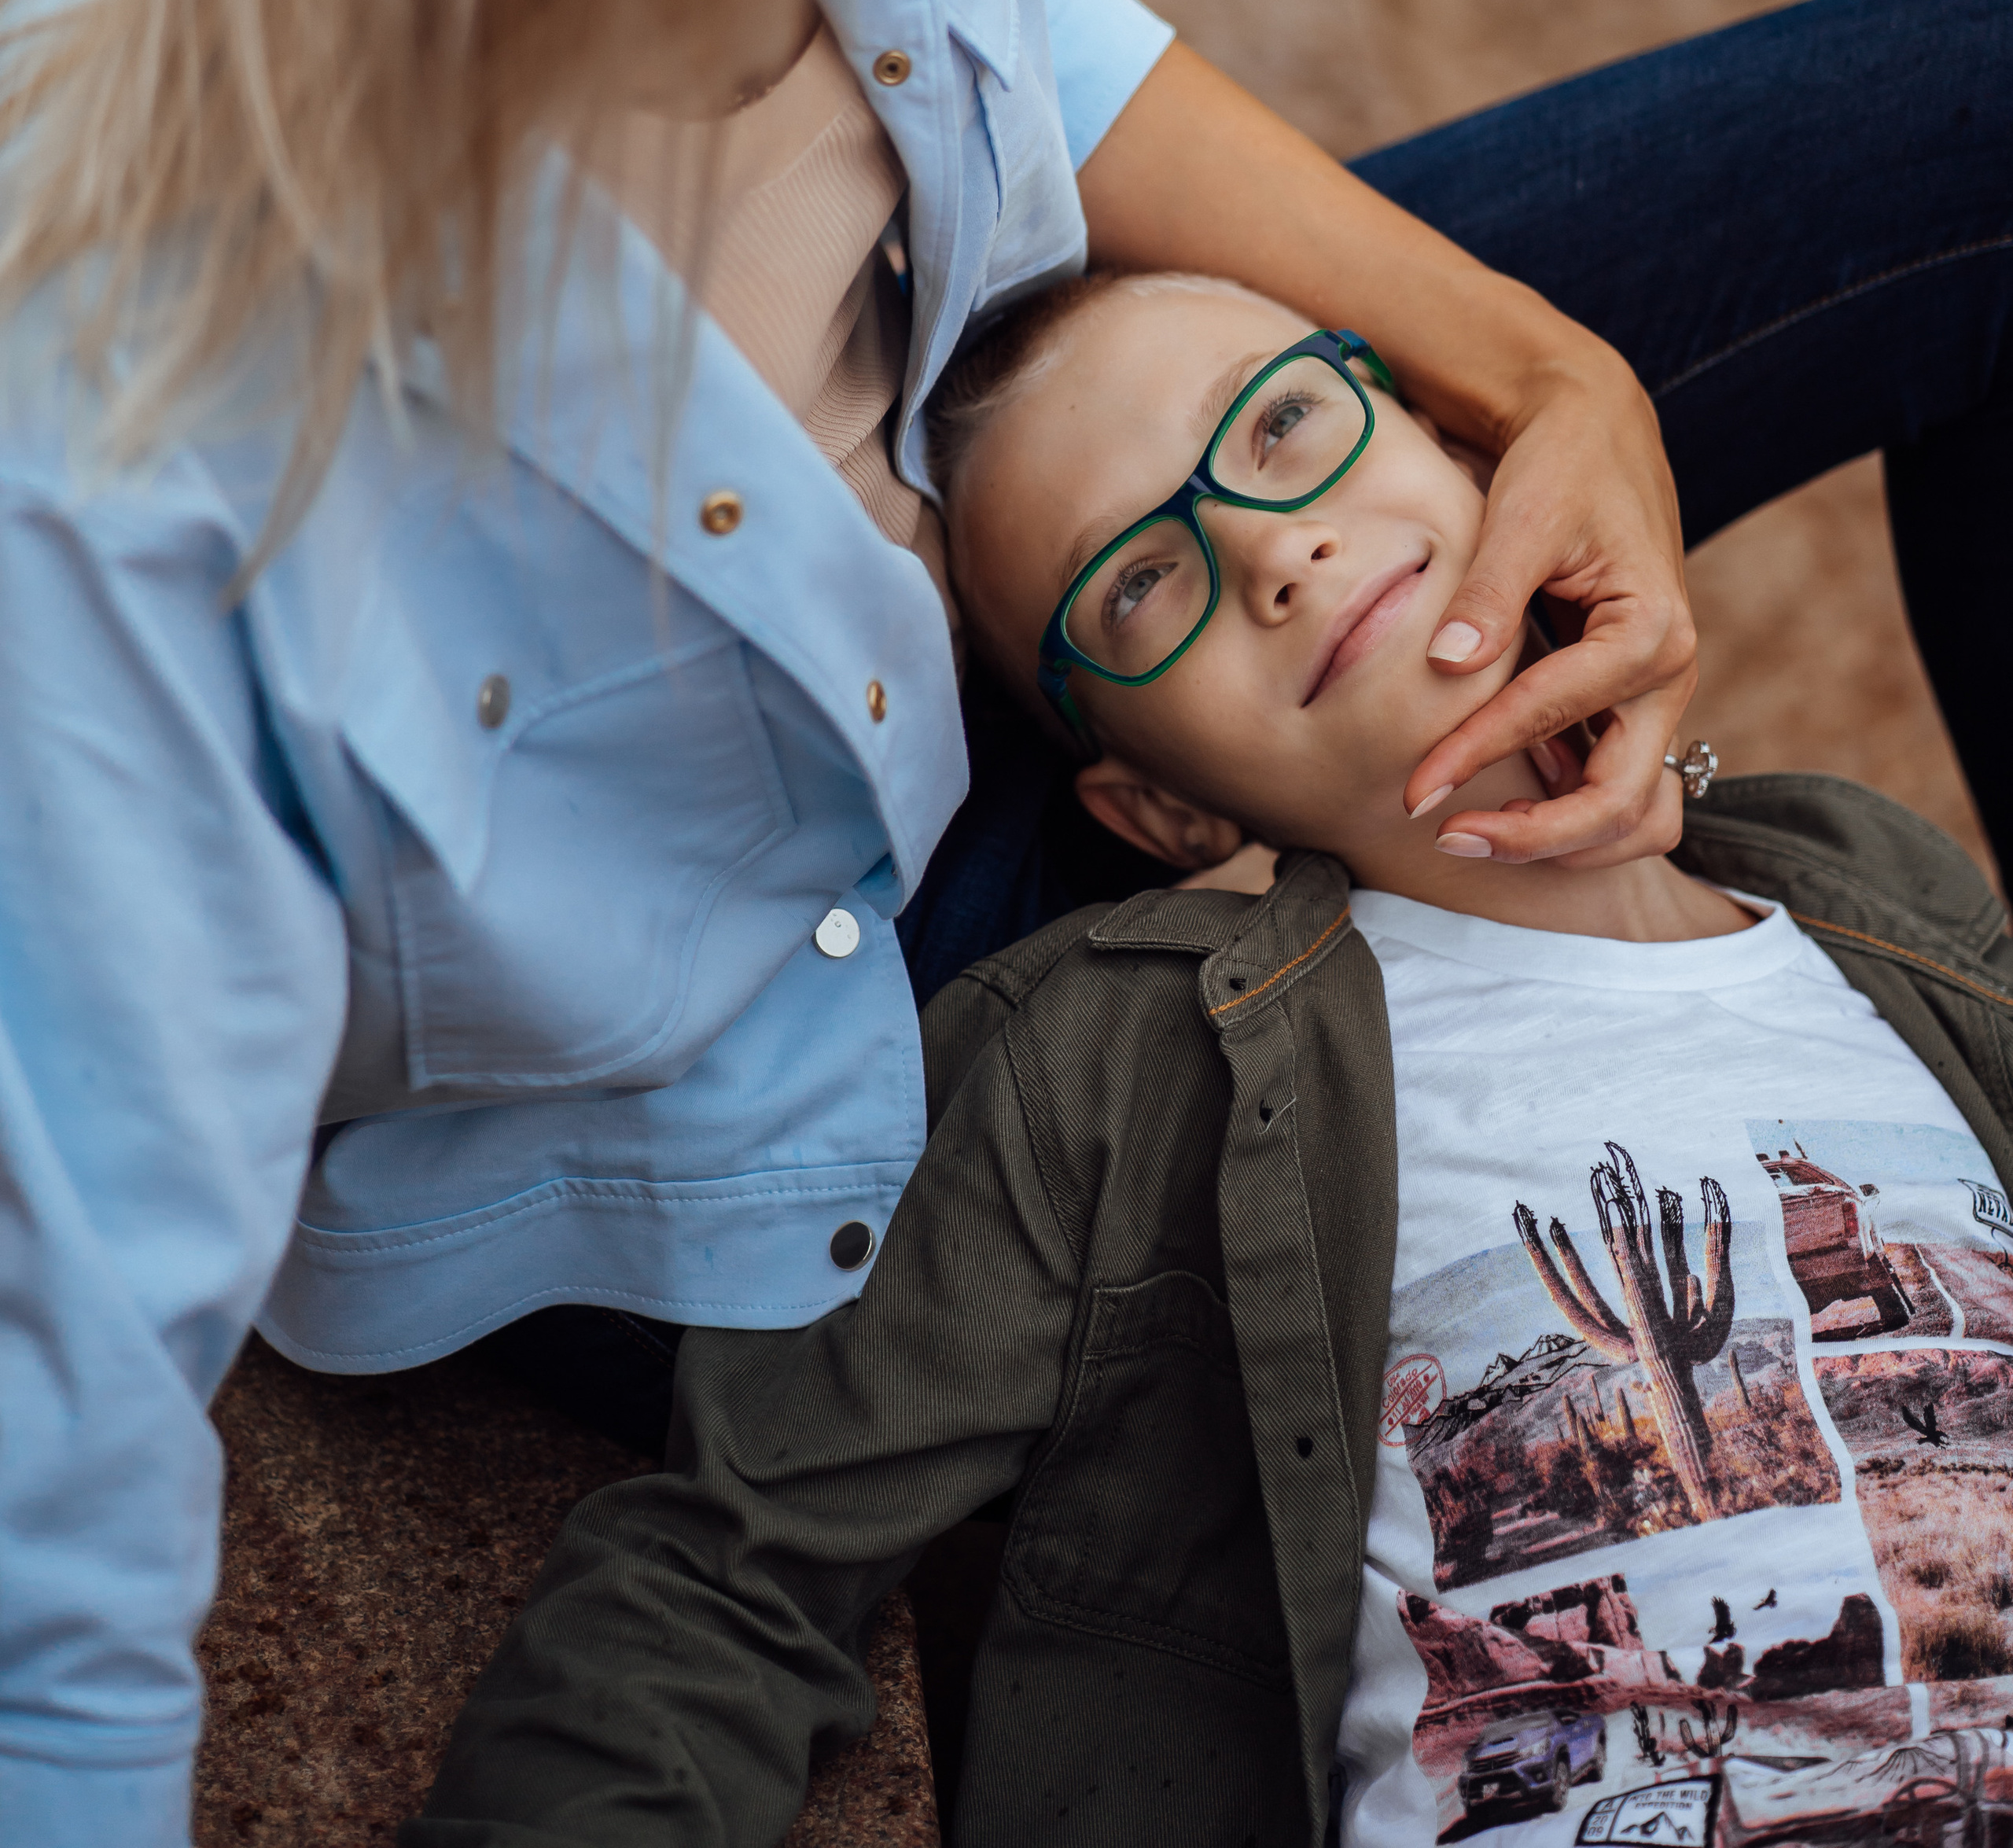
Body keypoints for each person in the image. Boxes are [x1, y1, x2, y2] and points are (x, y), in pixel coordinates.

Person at [0, 0, 2006, 1843]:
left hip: (1057, 511)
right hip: (762, 1051)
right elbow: (45, 1501)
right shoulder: (124, 445)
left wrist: (1538, 364)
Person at [407, 271, 2013, 1848]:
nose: (1266, 549)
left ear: (1466, 453)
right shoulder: (1105, 1060)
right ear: (1158, 811)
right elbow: (724, 1582)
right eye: (1136, 585)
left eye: (1284, 424)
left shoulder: (1868, 884)